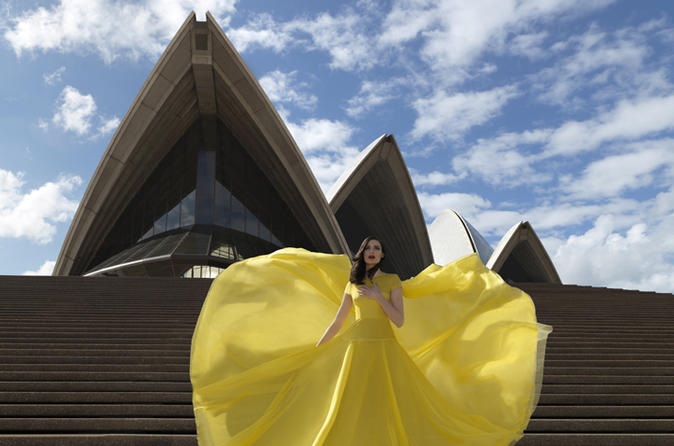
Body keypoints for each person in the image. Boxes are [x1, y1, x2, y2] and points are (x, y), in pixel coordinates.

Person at [190, 236, 552, 445]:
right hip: (353, 348)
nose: (373, 253)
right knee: (345, 404)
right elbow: (338, 321)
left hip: (385, 348)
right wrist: (314, 351)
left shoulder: (391, 282)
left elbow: (398, 320)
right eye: (368, 249)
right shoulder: (352, 284)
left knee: (391, 404)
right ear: (362, 255)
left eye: (377, 248)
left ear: (382, 255)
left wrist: (379, 297)